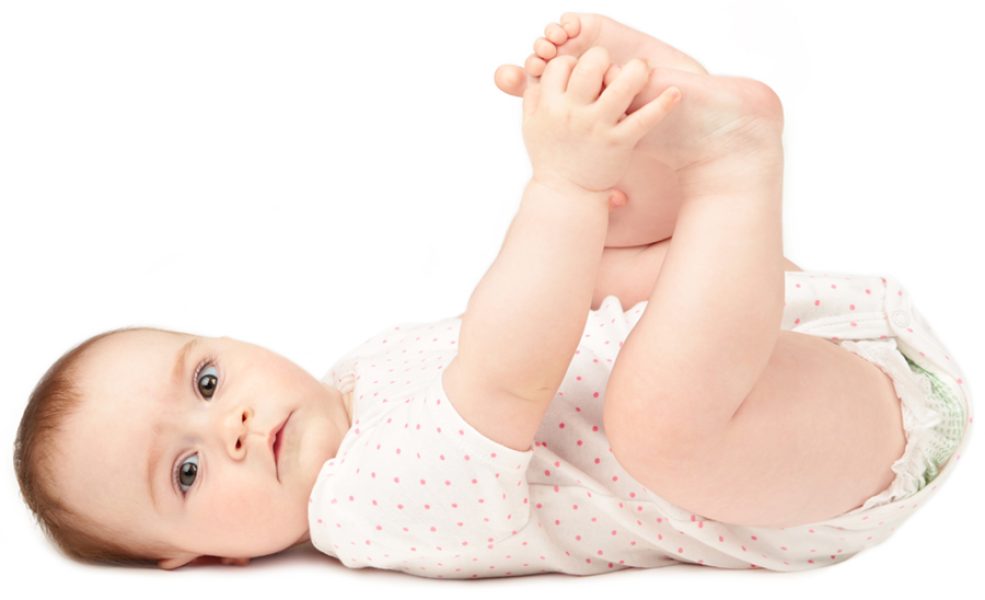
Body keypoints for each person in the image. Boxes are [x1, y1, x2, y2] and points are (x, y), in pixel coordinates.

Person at [14, 12, 972, 578]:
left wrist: (586, 186)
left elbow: (556, 311)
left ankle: (654, 112)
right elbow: (508, 379)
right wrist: (555, 186)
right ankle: (726, 170)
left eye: (209, 379)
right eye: (185, 475)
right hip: (821, 461)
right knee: (650, 417)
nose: (224, 429)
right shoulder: (360, 510)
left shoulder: (365, 366)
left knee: (600, 259)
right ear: (196, 563)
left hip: (800, 341)